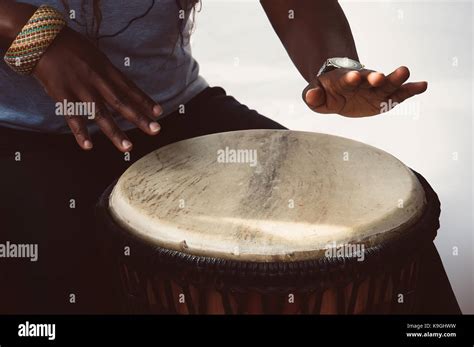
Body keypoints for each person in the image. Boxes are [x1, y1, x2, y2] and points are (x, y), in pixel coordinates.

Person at [0, 0, 457, 314]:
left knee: (377, 238)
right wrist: (33, 35)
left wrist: (332, 66)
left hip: (167, 111)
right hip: (18, 128)